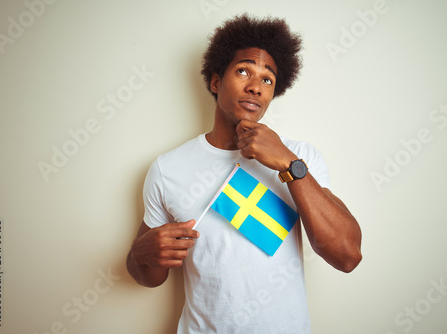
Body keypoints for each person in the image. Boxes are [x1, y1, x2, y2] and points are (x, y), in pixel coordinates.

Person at [126, 14, 362, 333]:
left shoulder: (301, 157)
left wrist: (290, 166)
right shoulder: (168, 168)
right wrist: (141, 253)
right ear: (215, 81)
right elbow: (149, 277)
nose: (255, 87)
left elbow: (347, 256)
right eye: (243, 71)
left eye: (268, 79)